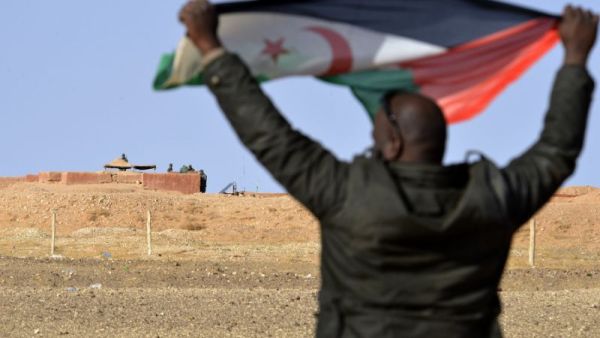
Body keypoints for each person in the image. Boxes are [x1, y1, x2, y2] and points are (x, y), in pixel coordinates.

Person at [179, 2, 597, 337]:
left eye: (375, 135)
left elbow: (270, 136)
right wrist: (575, 58)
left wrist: (213, 49)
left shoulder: (347, 195)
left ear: (393, 142)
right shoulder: (493, 198)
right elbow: (557, 151)